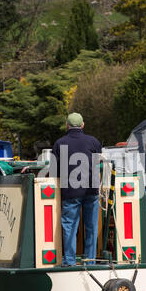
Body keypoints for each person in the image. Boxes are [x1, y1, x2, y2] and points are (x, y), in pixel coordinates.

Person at [51, 112, 102, 266]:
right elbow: (98, 164)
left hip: (71, 192)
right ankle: (90, 261)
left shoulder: (59, 143)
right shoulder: (93, 142)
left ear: (67, 125)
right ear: (82, 125)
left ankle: (69, 261)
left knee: (70, 227)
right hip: (91, 191)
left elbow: (54, 171)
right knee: (91, 227)